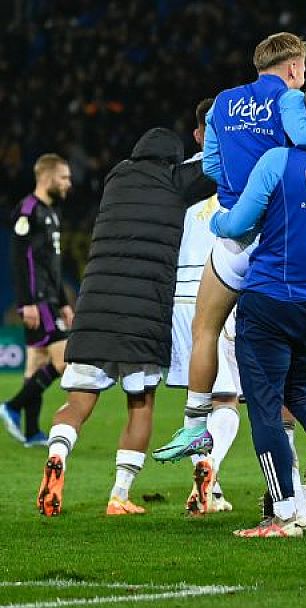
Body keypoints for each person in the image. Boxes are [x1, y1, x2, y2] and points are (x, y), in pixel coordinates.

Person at [155, 31, 306, 463]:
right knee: (305, 303)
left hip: (234, 237)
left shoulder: (223, 102)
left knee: (204, 327)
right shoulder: (290, 100)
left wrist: (234, 194)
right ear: (292, 67)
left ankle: (195, 423)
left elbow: (211, 164)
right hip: (279, 231)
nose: (302, 76)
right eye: (302, 68)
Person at [207, 82, 306, 538]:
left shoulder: (278, 160)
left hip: (269, 297)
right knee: (303, 397)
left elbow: (239, 223)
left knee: (264, 408)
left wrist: (216, 220)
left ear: (300, 119)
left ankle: (284, 513)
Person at [35, 128, 216, 517]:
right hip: (143, 315)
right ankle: (119, 495)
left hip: (95, 309)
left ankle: (57, 456)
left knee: (76, 403)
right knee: (140, 404)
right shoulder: (176, 180)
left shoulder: (116, 176)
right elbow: (218, 170)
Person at [167, 98, 238, 515]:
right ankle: (210, 469)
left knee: (198, 399)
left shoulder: (174, 179)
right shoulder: (241, 172)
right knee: (226, 401)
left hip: (179, 298)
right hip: (221, 293)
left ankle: (209, 485)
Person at [1, 154, 73, 447]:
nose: (69, 183)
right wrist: (26, 303)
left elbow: (51, 264)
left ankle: (31, 432)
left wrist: (64, 303)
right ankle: (12, 406)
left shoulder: (51, 212)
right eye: (64, 177)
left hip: (51, 299)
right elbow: (21, 260)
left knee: (36, 364)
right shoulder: (27, 210)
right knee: (64, 361)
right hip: (38, 300)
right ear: (47, 177)